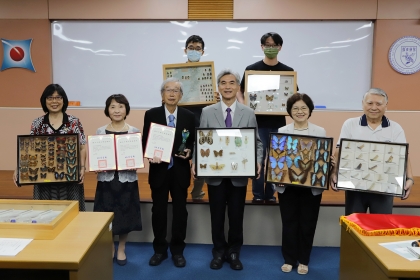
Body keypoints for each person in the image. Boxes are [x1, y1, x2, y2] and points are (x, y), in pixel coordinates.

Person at [191, 69, 263, 271]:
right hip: (214, 175)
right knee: (216, 215)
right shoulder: (207, 111)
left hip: (239, 176)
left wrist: (257, 162)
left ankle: (234, 252)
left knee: (236, 215)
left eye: (232, 83)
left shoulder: (248, 113)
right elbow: (200, 141)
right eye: (223, 83)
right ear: (218, 87)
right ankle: (219, 251)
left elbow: (257, 143)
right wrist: (196, 161)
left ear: (238, 87)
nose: (228, 86)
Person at [330, 88, 414, 215]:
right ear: (363, 104)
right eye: (370, 103)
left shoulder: (395, 128)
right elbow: (339, 151)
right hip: (354, 186)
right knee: (354, 226)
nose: (374, 107)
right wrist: (333, 173)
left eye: (379, 104)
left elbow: (404, 156)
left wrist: (410, 179)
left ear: (386, 106)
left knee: (381, 228)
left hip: (385, 187)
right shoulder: (350, 124)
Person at [274, 93, 331, 275]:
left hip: (311, 187)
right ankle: (289, 259)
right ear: (290, 111)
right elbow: (277, 159)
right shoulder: (282, 131)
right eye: (295, 108)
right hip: (287, 186)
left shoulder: (319, 131)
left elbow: (322, 158)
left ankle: (304, 260)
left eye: (303, 108)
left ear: (310, 111)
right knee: (289, 222)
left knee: (308, 223)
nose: (300, 112)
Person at [142, 78, 195, 268]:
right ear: (162, 94)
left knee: (181, 212)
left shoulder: (189, 116)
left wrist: (190, 152)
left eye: (176, 91)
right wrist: (150, 154)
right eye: (168, 90)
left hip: (180, 170)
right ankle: (159, 250)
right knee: (159, 211)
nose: (172, 94)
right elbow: (145, 141)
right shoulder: (151, 114)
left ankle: (178, 250)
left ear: (181, 95)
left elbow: (192, 143)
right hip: (159, 170)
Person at [238, 32, 296, 203]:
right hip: (257, 122)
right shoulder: (252, 69)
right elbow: (241, 92)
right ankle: (257, 195)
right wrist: (245, 106)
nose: (271, 48)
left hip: (279, 122)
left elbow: (293, 95)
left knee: (276, 158)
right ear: (262, 46)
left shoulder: (288, 71)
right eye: (267, 45)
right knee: (258, 158)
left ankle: (271, 195)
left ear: (280, 47)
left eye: (274, 45)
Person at [13, 84, 87, 211]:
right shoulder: (37, 123)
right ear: (44, 100)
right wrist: (19, 169)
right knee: (45, 214)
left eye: (58, 97)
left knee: (73, 215)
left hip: (69, 175)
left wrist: (82, 168)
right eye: (50, 98)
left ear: (63, 100)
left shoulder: (74, 121)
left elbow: (82, 146)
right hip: (44, 178)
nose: (54, 101)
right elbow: (29, 149)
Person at [93, 94, 142, 266]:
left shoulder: (134, 131)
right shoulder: (100, 131)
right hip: (106, 180)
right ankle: (110, 247)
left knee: (125, 214)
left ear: (126, 109)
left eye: (120, 106)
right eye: (113, 107)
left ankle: (121, 247)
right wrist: (96, 164)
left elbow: (137, 158)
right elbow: (96, 156)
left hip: (126, 180)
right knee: (106, 214)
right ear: (107, 110)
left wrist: (136, 161)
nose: (117, 110)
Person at [183, 35, 208, 199]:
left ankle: (197, 190)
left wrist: (215, 96)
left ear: (203, 52)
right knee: (182, 156)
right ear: (185, 50)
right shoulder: (176, 72)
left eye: (197, 48)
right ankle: (182, 190)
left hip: (202, 120)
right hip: (182, 121)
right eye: (191, 48)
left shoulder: (208, 72)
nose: (194, 51)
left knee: (202, 158)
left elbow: (211, 97)